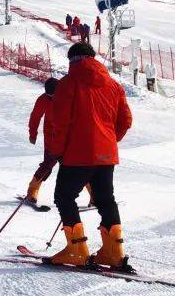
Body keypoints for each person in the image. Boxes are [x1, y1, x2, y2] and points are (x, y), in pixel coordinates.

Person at [46, 42, 133, 268]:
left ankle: (77, 249)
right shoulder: (114, 86)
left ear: (73, 60)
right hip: (106, 154)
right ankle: (113, 252)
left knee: (64, 197)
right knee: (105, 199)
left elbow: (60, 123)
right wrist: (110, 140)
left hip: (78, 153)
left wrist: (56, 152)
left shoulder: (68, 84)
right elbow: (125, 121)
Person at [23, 77, 59, 205]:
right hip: (51, 139)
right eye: (49, 95)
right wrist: (33, 134)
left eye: (53, 95)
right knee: (47, 166)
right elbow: (35, 116)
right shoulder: (43, 99)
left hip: (68, 139)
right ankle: (32, 191)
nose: (51, 97)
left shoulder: (68, 97)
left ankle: (94, 196)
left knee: (77, 167)